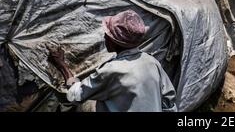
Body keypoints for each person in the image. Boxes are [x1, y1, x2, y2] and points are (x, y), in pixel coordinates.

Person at [48, 9, 177, 112]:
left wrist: (62, 66)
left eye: (108, 34)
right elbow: (168, 103)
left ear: (116, 42)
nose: (105, 36)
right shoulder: (151, 62)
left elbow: (75, 95)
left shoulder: (112, 71)